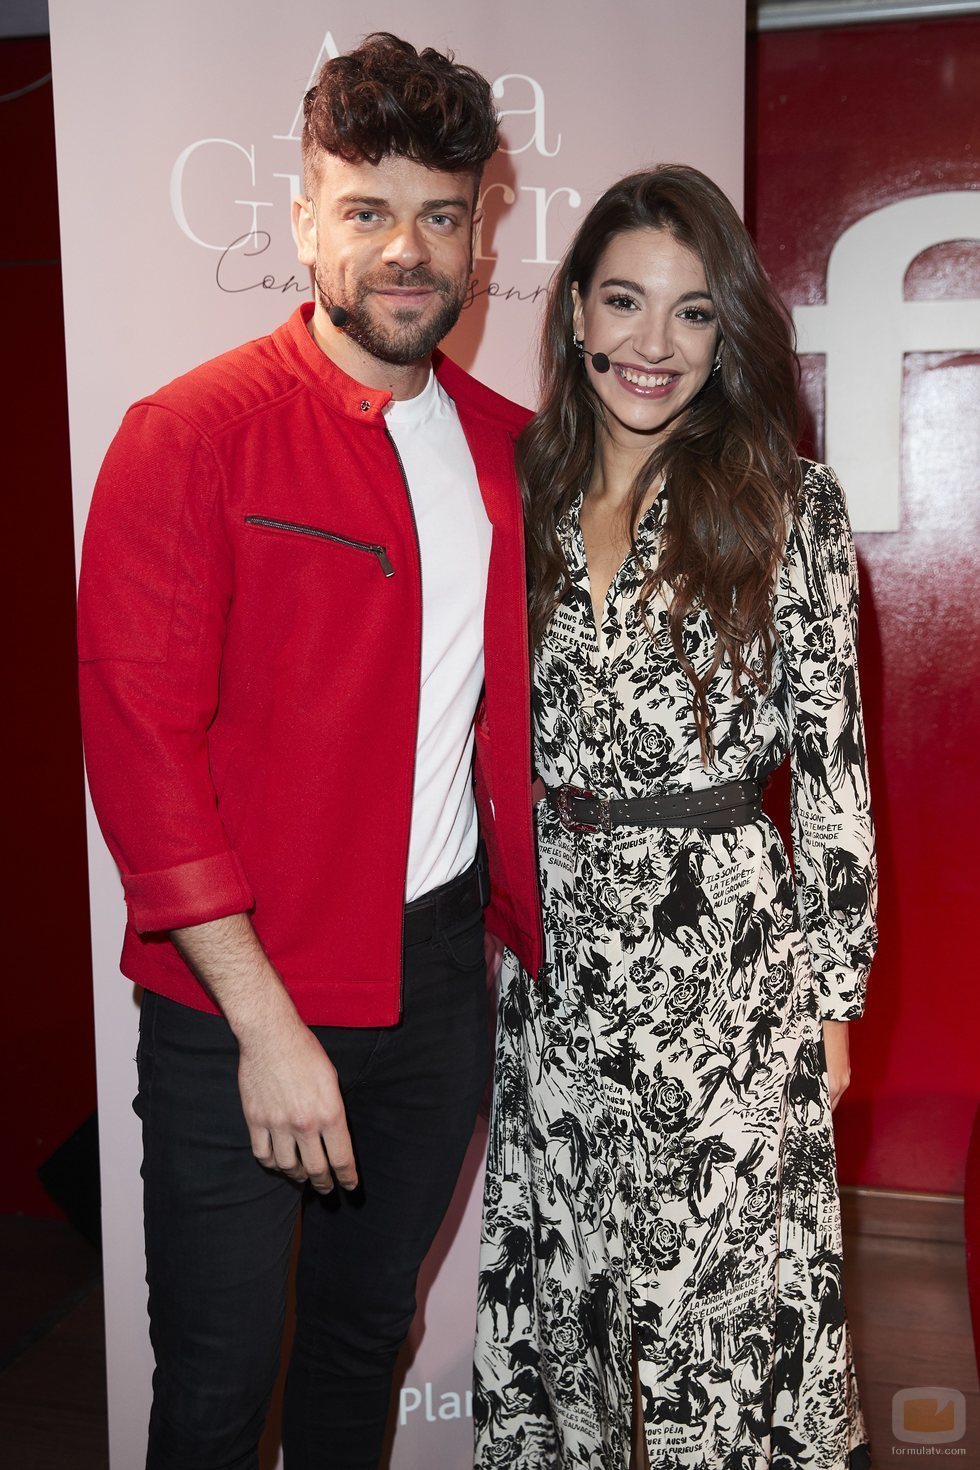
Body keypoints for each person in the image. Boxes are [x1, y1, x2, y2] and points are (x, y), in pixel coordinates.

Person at [77, 33, 542, 1470]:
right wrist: (263, 1024)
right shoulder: (191, 435)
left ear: (480, 228)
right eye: (367, 210)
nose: (408, 250)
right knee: (218, 1392)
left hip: (434, 987)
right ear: (303, 222)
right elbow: (140, 746)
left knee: (360, 1350)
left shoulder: (516, 452)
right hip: (239, 1001)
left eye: (441, 214)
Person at [474, 166, 876, 1469]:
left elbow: (832, 770)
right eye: (624, 302)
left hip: (734, 972)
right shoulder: (511, 491)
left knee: (736, 1341)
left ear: (730, 328)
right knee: (562, 1329)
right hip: (560, 969)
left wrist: (835, 1000)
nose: (653, 346)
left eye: (693, 313)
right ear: (576, 312)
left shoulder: (787, 502)